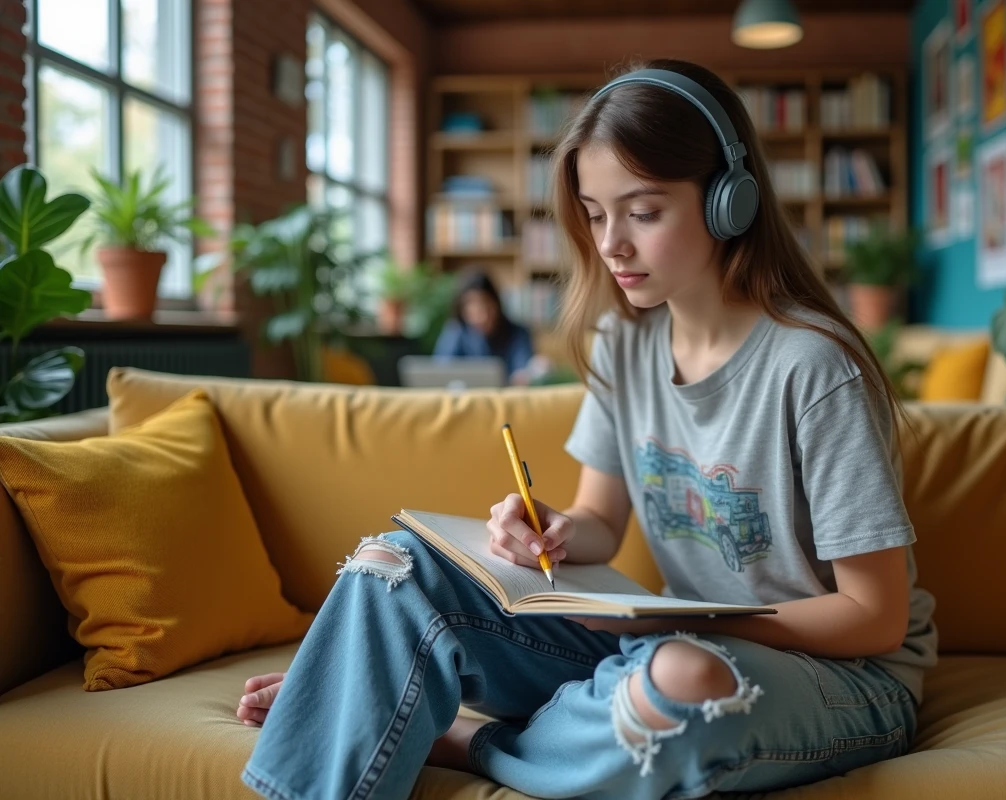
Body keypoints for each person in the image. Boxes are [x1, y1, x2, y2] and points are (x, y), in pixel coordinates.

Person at [236, 58, 938, 800]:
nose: (612, 245)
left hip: (842, 680)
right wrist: (555, 528)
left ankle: (457, 735)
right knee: (395, 562)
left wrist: (666, 637)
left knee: (680, 682)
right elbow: (601, 518)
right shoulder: (624, 343)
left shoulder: (814, 368)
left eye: (643, 211)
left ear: (730, 203)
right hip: (667, 642)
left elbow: (873, 618)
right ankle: (368, 720)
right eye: (596, 214)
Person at [432, 269, 537, 383]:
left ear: (496, 304)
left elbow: (522, 370)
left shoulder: (518, 333)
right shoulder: (456, 331)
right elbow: (440, 372)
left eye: (486, 307)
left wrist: (525, 375)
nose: (482, 317)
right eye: (474, 311)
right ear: (462, 311)